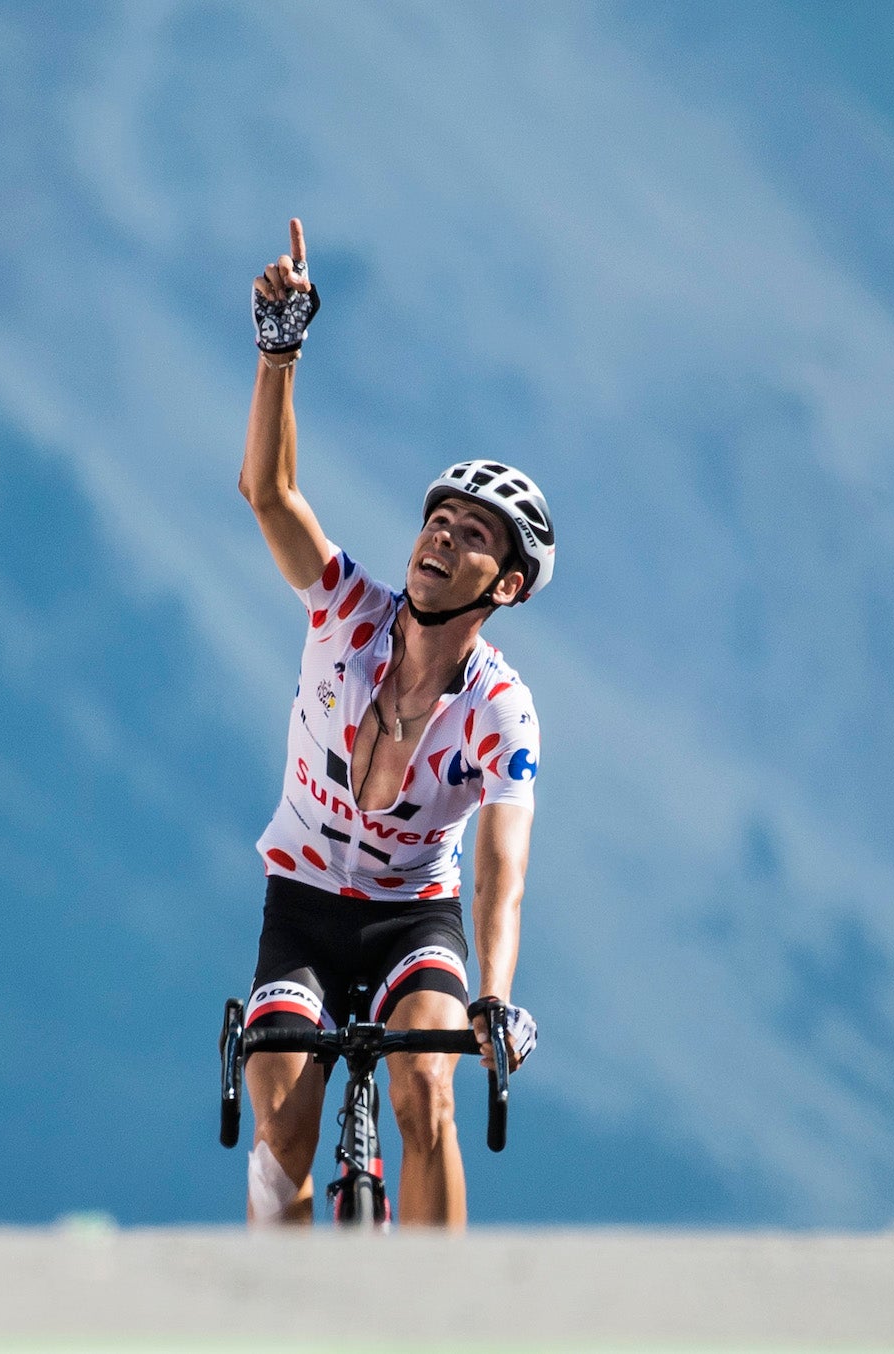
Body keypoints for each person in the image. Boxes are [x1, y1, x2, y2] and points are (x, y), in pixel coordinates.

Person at [238, 218, 549, 1228]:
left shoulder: (497, 706)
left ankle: (432, 1322)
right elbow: (269, 493)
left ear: (501, 585)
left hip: (413, 918)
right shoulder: (344, 612)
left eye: (469, 538)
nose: (438, 539)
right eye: (436, 520)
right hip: (303, 904)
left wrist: (493, 995)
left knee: (426, 1086)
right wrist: (277, 351)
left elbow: (502, 858)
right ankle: (278, 1296)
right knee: (279, 1116)